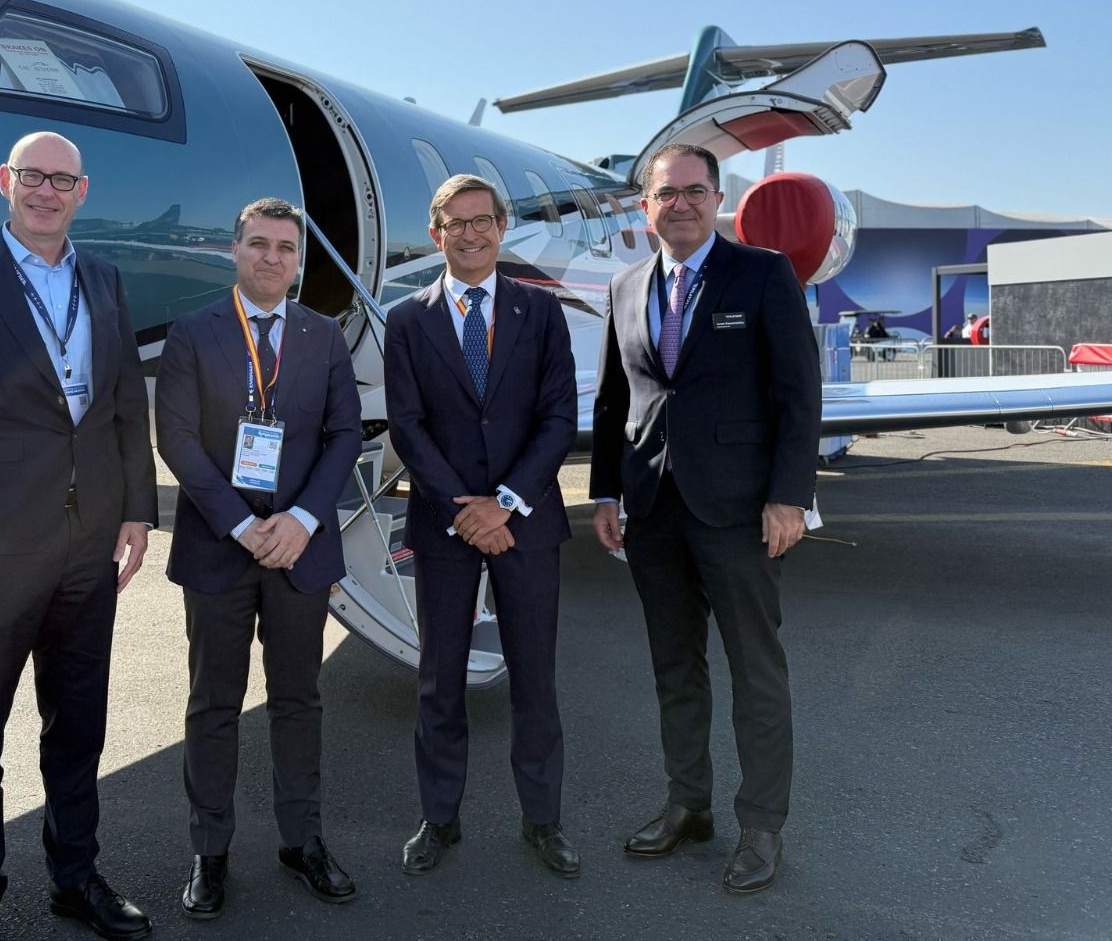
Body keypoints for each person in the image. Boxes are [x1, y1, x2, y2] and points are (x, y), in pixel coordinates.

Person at [0, 131, 158, 941]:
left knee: (78, 728)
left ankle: (73, 879)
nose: (47, 191)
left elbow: (123, 403)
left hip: (89, 548)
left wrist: (138, 511)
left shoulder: (105, 280)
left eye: (64, 180)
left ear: (84, 192)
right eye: (33, 177)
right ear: (6, 181)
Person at [590, 141, 821, 895]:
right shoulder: (625, 286)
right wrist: (604, 494)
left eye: (694, 191)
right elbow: (612, 401)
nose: (680, 204)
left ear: (717, 198)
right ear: (645, 206)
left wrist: (789, 496)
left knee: (756, 672)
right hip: (653, 510)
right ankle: (687, 804)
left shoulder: (761, 274)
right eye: (666, 194)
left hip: (740, 511)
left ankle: (761, 827)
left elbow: (798, 393)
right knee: (674, 670)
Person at [155, 197, 363, 918]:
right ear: (233, 250)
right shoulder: (193, 334)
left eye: (285, 247)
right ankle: (209, 851)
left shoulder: (324, 336)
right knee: (214, 703)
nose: (271, 257)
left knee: (298, 699)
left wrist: (302, 519)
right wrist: (244, 527)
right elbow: (176, 439)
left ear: (298, 260)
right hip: (222, 548)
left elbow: (344, 436)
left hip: (300, 551)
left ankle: (301, 840)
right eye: (258, 244)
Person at [383, 173, 581, 879]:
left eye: (482, 221)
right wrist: (468, 510)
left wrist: (506, 502)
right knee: (439, 679)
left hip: (525, 521)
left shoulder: (540, 311)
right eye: (454, 223)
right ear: (436, 234)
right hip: (445, 525)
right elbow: (406, 425)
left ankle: (543, 821)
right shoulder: (407, 320)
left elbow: (560, 417)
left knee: (535, 677)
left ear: (502, 228)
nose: (470, 233)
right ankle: (440, 819)